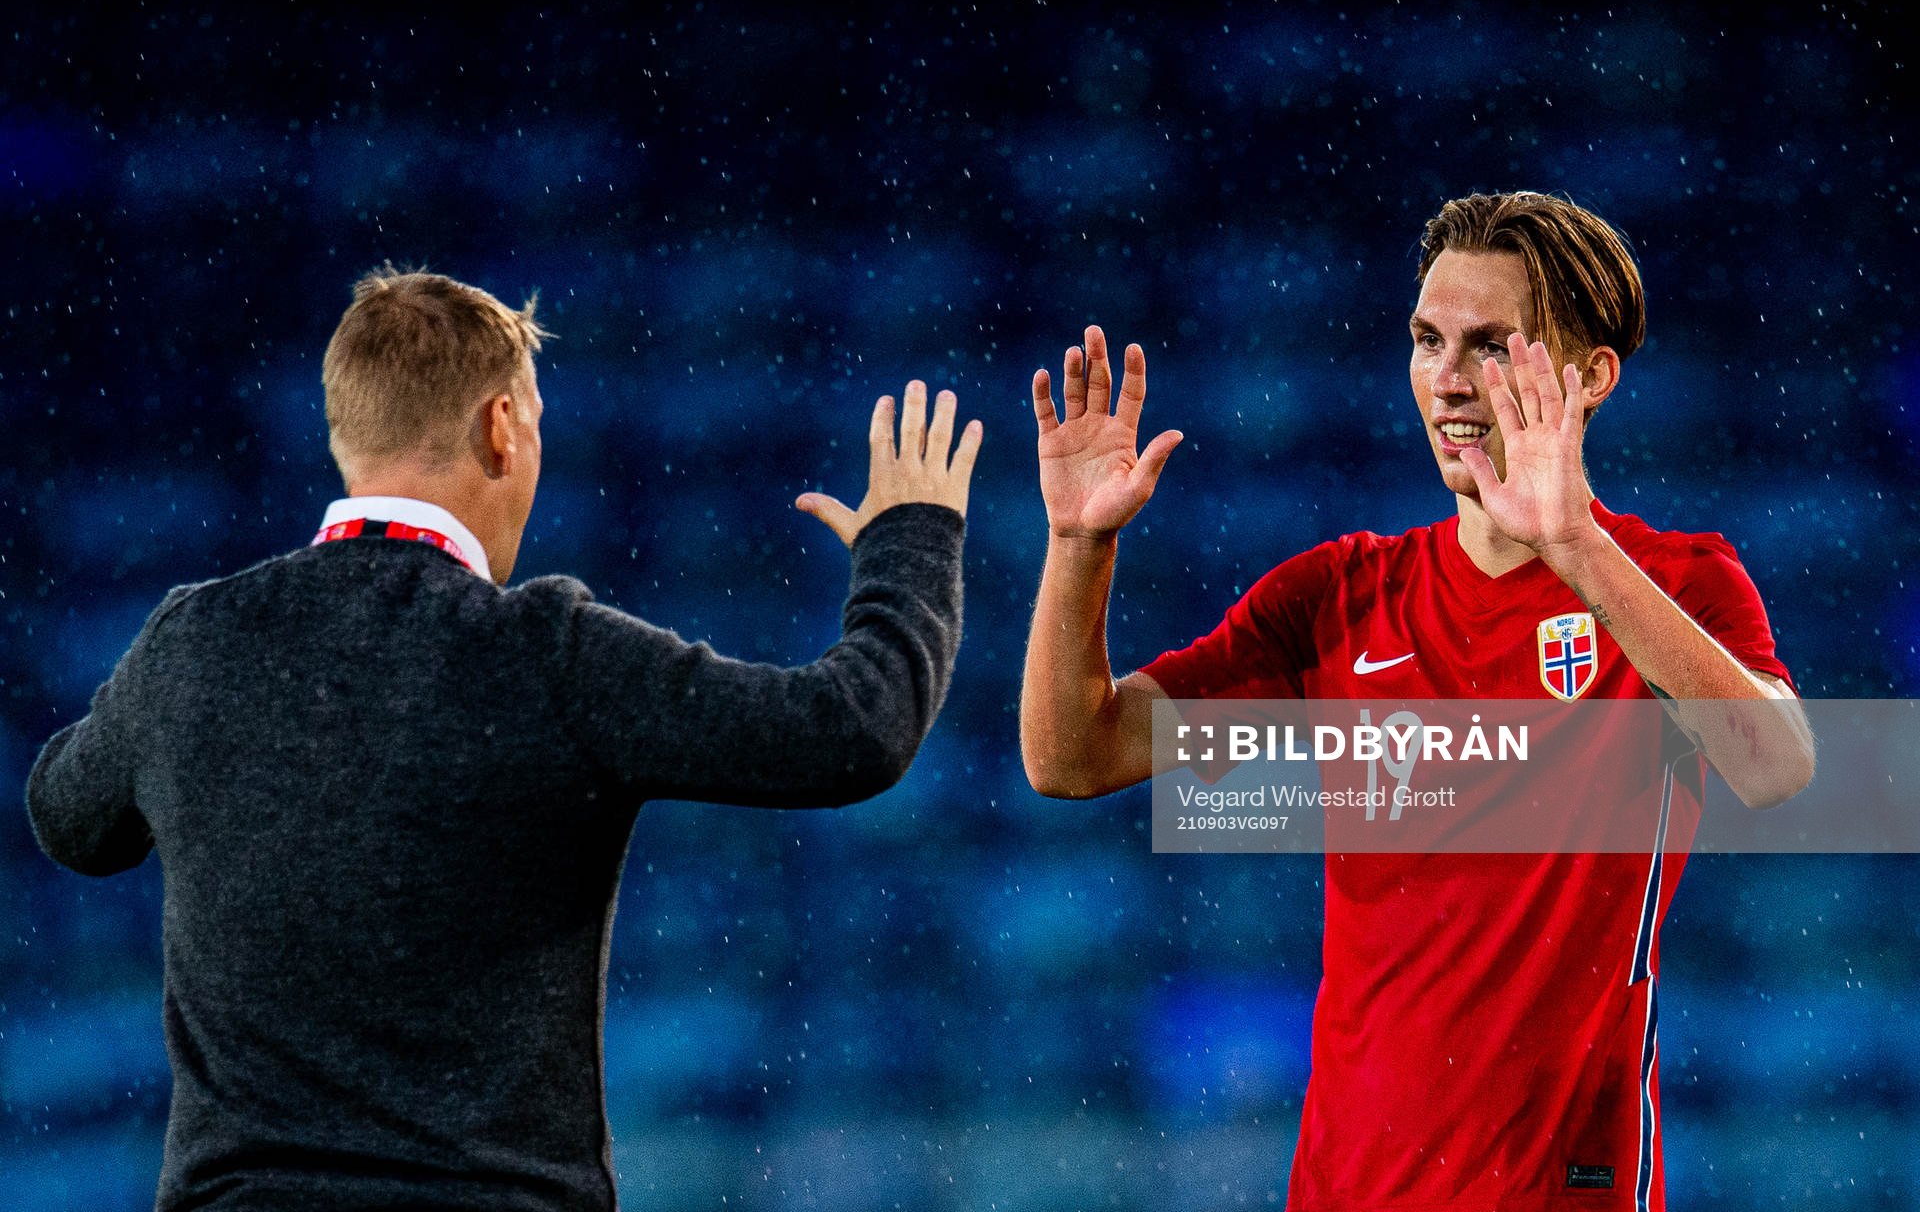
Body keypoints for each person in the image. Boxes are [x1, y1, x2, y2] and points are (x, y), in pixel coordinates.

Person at [26, 267, 982, 1212]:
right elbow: (852, 730)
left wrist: (170, 700)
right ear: (501, 426)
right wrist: (912, 541)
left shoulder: (194, 644)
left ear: (344, 436)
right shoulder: (547, 656)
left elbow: (70, 818)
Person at [1019, 192, 1815, 1211]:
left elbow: (1777, 766)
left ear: (1591, 375)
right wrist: (1080, 548)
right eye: (1426, 338)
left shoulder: (1680, 583)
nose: (1445, 378)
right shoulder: (1340, 597)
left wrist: (1572, 545)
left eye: (1489, 345)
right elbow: (1073, 756)